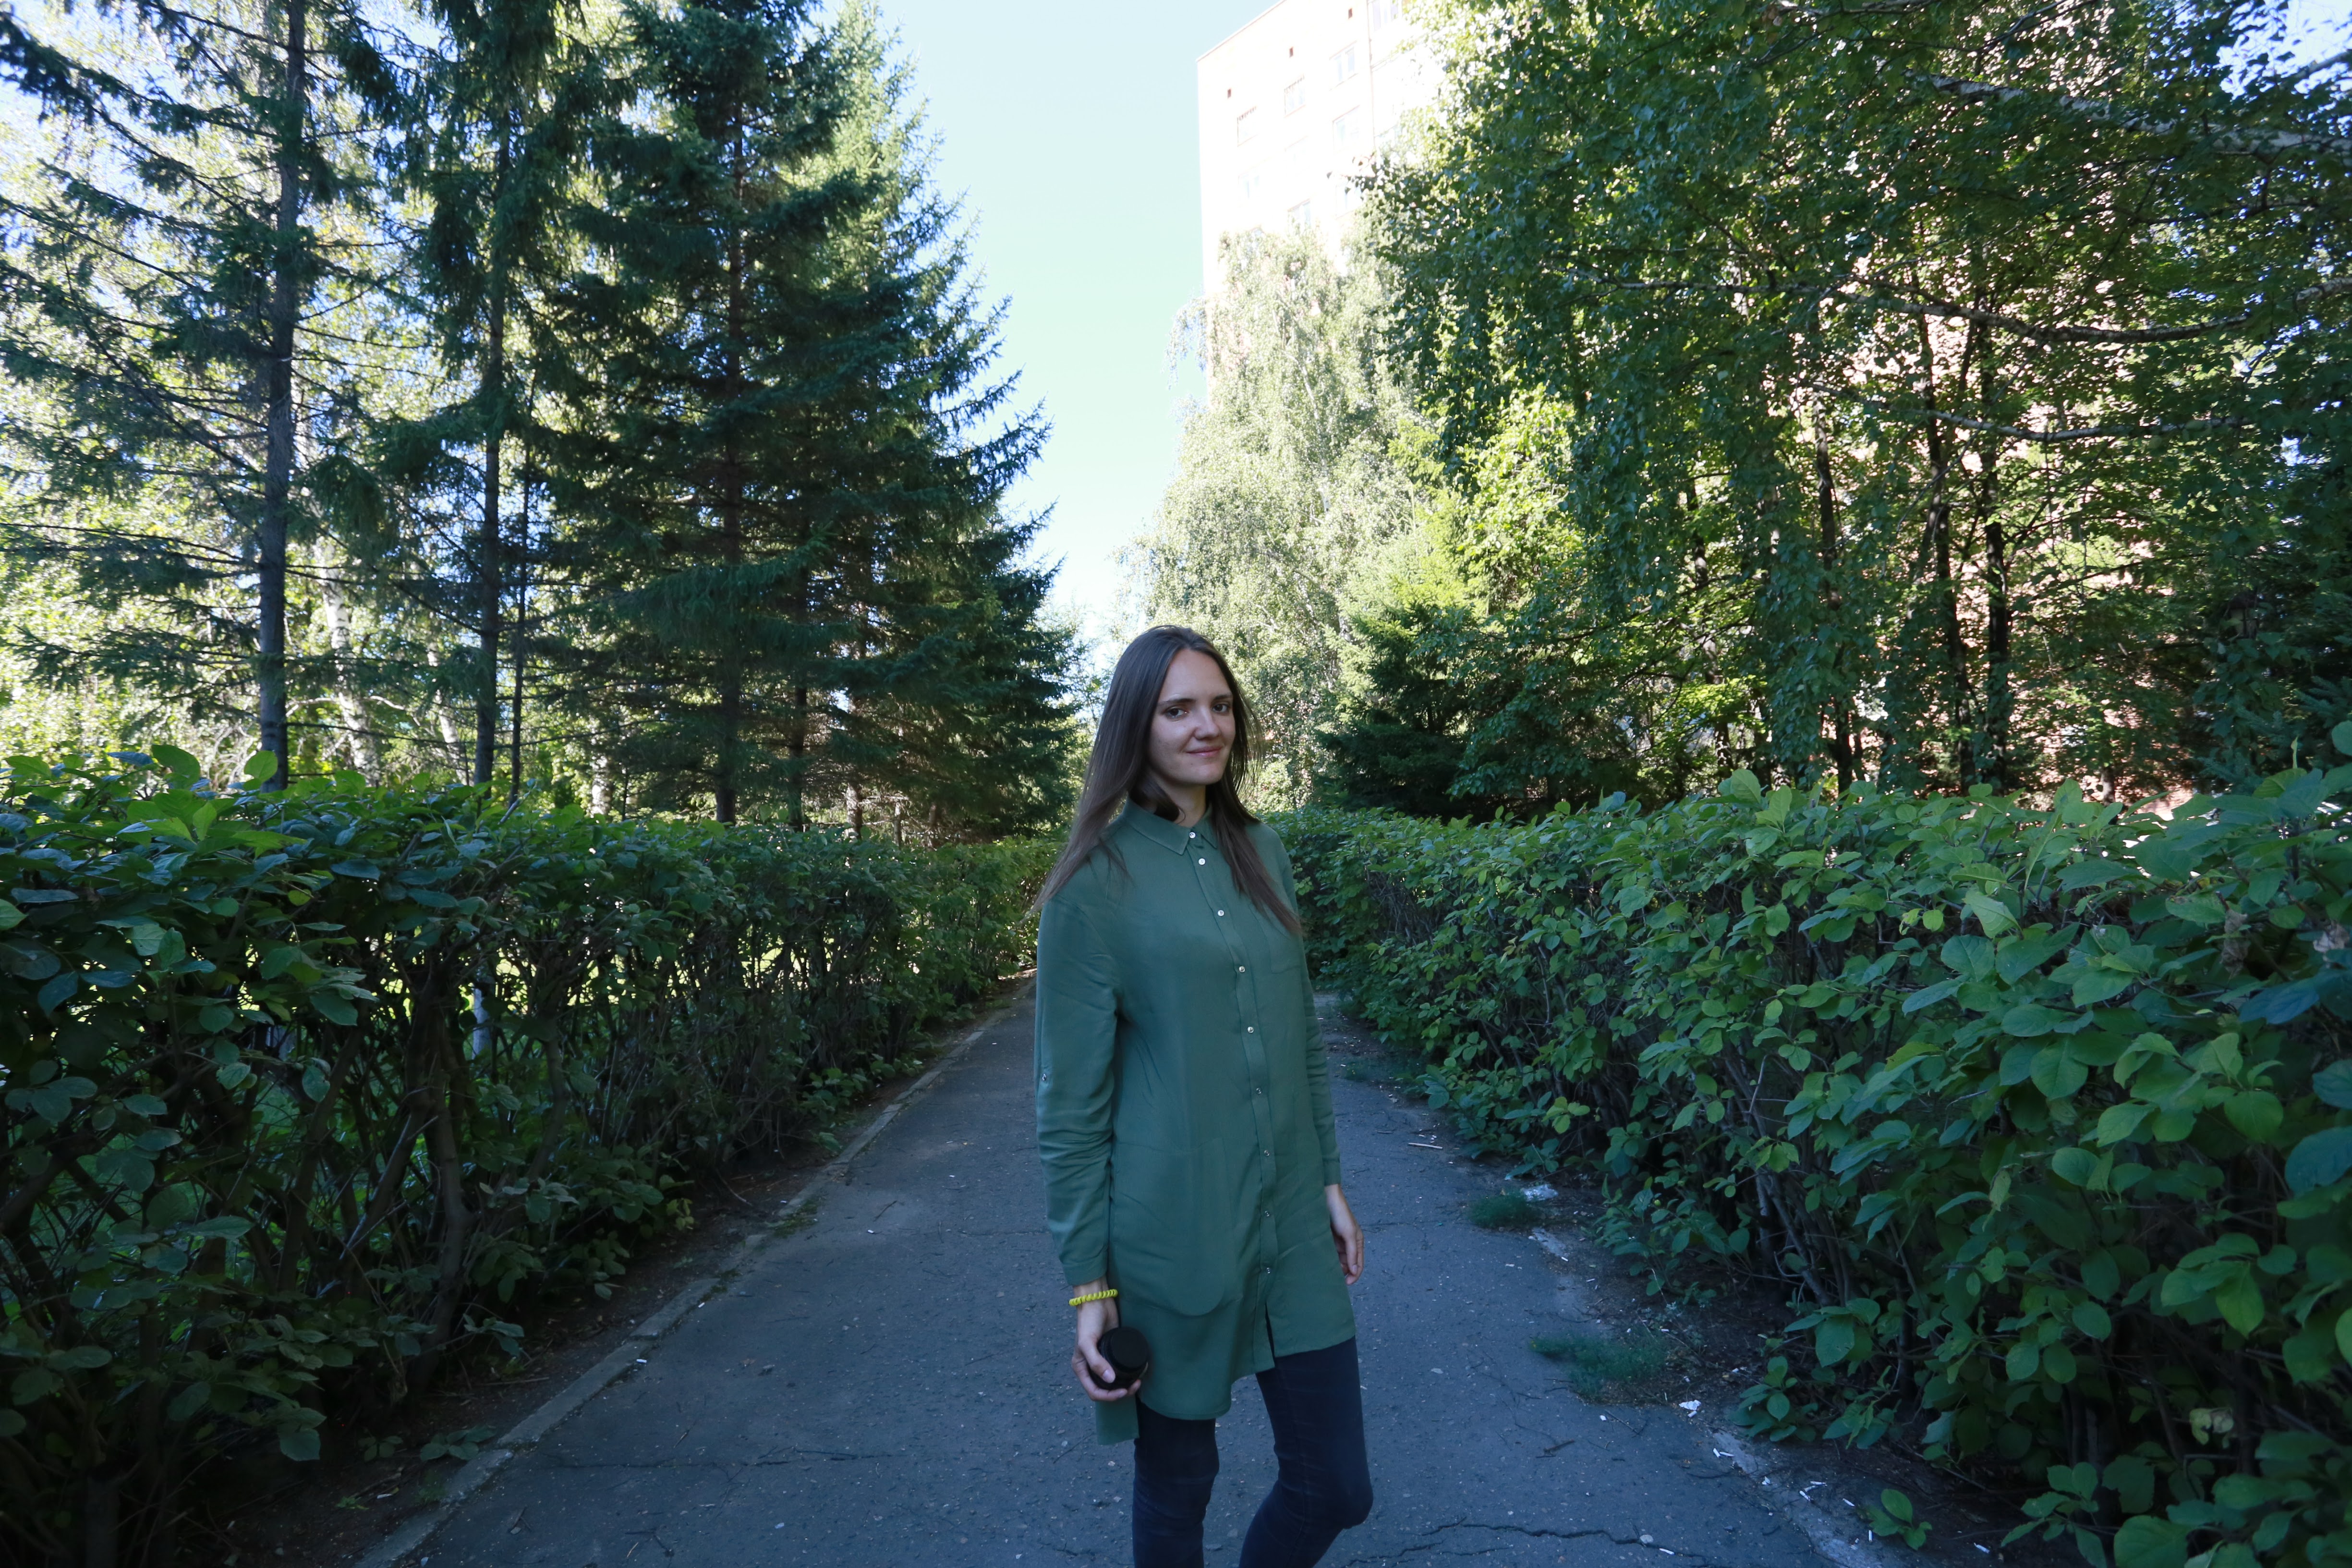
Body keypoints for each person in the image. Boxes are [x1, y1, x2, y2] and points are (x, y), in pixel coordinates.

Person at [1034, 624, 1375, 1568]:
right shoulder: (1092, 886)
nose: (1206, 726)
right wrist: (1090, 1288)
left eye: (1220, 705)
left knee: (1336, 1485)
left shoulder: (1263, 849)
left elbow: (1299, 1036)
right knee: (1178, 1489)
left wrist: (1328, 1181)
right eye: (1178, 708)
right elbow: (1068, 1110)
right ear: (1133, 727)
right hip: (1169, 1237)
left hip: (1290, 1224)